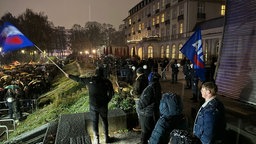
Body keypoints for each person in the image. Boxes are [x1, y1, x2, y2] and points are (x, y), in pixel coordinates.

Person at [65, 67, 114, 144]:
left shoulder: (90, 80)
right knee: (105, 121)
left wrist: (69, 76)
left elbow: (79, 79)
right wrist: (107, 101)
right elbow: (111, 93)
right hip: (103, 105)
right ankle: (107, 138)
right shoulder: (107, 82)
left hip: (93, 106)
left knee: (94, 122)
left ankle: (96, 140)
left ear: (95, 73)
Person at [137, 72, 162, 144]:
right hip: (153, 113)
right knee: (150, 131)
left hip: (146, 114)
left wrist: (139, 110)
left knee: (145, 131)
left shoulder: (149, 89)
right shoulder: (157, 86)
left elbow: (141, 104)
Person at [130, 67, 148, 132]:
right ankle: (144, 125)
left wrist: (132, 92)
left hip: (138, 98)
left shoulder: (139, 80)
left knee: (139, 113)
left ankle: (140, 126)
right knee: (143, 112)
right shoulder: (146, 78)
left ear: (137, 73)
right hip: (144, 97)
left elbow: (137, 90)